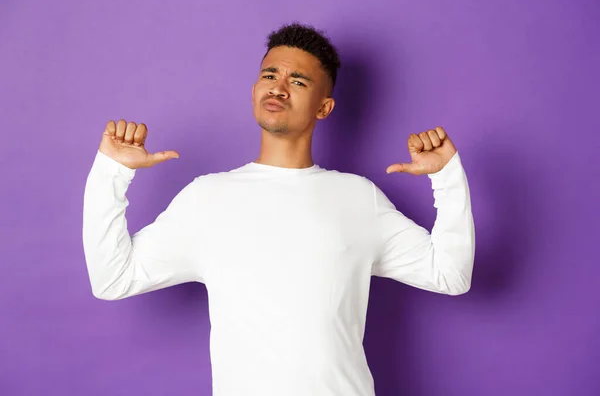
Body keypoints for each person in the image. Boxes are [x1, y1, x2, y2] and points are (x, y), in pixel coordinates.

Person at [82, 23, 475, 396]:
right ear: (254, 88)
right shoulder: (207, 199)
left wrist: (446, 178)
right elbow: (112, 279)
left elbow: (449, 274)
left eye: (298, 81)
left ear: (324, 107)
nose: (279, 88)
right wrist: (112, 172)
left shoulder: (358, 198)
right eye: (270, 75)